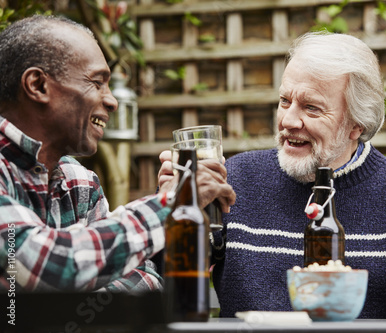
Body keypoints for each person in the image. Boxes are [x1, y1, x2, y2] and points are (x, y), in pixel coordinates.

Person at [158, 31, 386, 320]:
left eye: (311, 108)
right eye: (284, 101)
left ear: (357, 125)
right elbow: (163, 277)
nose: (288, 120)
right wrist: (172, 212)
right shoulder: (234, 179)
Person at [0, 15, 235, 292]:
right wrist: (174, 203)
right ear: (38, 85)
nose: (112, 101)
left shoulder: (81, 183)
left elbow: (145, 283)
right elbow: (41, 266)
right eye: (97, 82)